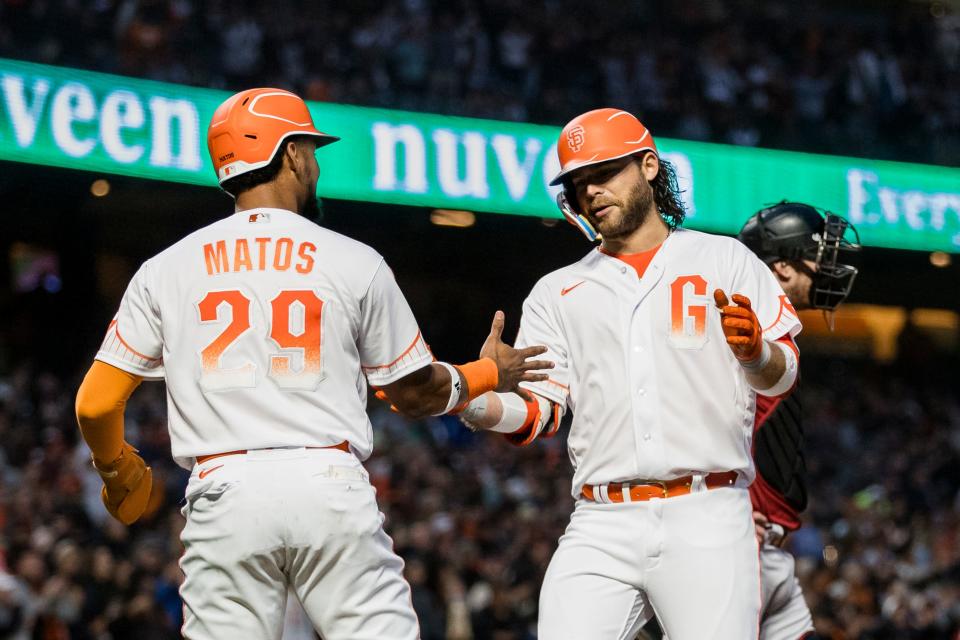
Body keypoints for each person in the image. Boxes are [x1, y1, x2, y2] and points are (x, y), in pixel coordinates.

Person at [73, 87, 551, 640]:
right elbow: (413, 393)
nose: (315, 165)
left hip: (224, 490)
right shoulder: (353, 259)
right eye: (312, 151)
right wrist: (487, 373)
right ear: (291, 154)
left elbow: (95, 402)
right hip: (327, 484)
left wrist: (118, 471)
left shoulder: (165, 268)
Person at [457, 108, 803, 639]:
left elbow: (783, 375)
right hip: (601, 520)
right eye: (578, 183)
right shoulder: (557, 290)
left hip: (707, 512)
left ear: (647, 165)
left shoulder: (724, 259)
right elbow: (538, 414)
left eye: (603, 173)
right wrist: (469, 393)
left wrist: (757, 353)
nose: (590, 190)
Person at [738, 201, 860, 640]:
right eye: (820, 255)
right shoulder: (742, 328)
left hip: (764, 549)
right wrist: (716, 509)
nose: (831, 265)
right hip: (734, 543)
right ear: (784, 268)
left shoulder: (775, 329)